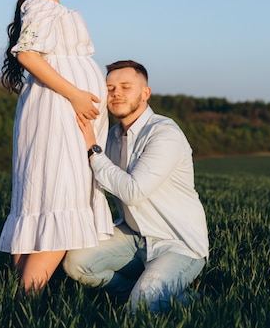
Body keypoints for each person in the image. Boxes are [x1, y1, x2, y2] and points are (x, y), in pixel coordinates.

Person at [0, 0, 114, 294]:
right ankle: (25, 300)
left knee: (43, 202)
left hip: (56, 109)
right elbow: (28, 54)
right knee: (60, 199)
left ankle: (17, 298)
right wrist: (77, 95)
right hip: (58, 112)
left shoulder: (47, 0)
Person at [63, 60, 209, 313]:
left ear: (145, 94)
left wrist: (93, 150)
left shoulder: (164, 134)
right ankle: (131, 293)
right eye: (110, 88)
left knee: (140, 309)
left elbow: (133, 192)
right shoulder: (111, 137)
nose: (116, 93)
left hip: (177, 244)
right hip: (132, 236)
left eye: (126, 86)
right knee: (76, 264)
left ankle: (191, 301)